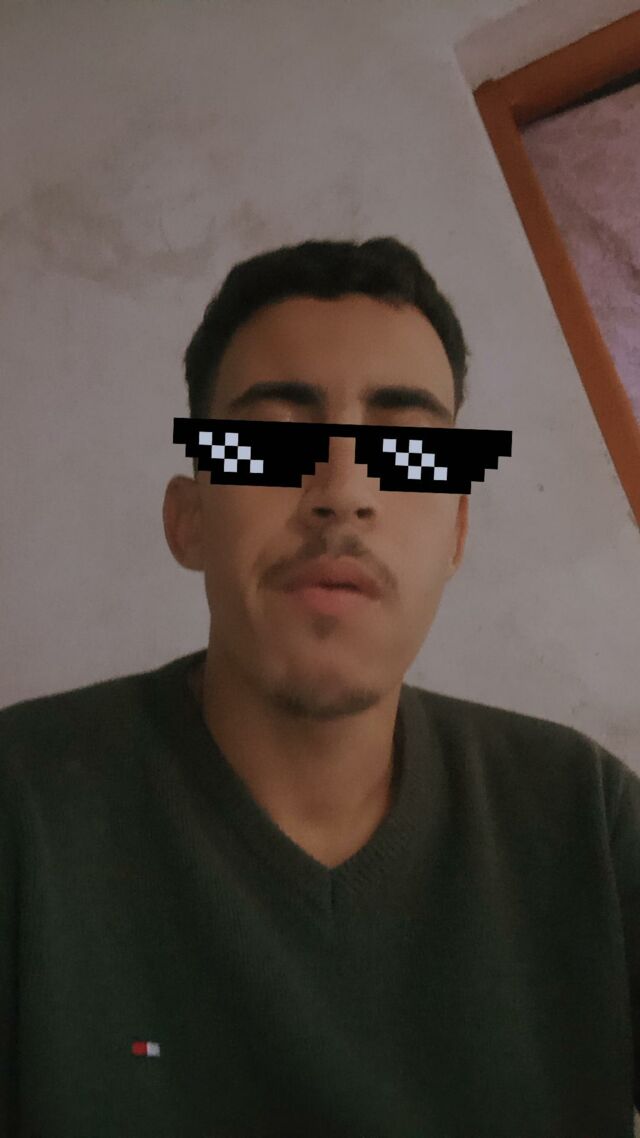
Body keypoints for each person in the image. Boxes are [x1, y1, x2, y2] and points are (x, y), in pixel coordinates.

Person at [1, 238, 638, 1137]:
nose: (343, 490)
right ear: (189, 518)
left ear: (457, 532)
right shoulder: (22, 810)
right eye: (274, 438)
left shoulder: (586, 823)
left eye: (406, 447)